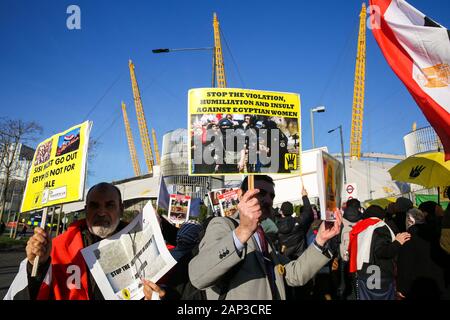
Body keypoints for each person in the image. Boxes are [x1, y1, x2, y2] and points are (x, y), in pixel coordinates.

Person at [188, 175, 342, 300]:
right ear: (241, 195)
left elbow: (294, 274)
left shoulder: (262, 236)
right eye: (260, 192)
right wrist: (243, 231)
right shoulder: (223, 224)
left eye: (271, 195)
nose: (268, 199)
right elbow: (198, 276)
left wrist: (320, 240)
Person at [5, 182, 166, 300]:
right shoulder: (54, 248)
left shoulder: (145, 242)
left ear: (121, 209)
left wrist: (158, 295)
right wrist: (37, 266)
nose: (101, 212)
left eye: (109, 205)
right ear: (86, 210)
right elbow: (20, 295)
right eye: (94, 206)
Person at [348, 205, 411, 300]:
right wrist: (397, 242)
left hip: (363, 271)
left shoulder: (361, 227)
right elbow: (381, 251)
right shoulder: (379, 226)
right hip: (378, 274)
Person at [397, 208, 450, 299]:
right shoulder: (436, 233)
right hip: (439, 285)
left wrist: (402, 288)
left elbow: (405, 265)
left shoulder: (407, 238)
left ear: (409, 220)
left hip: (418, 287)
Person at [277, 186, 314, 260]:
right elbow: (308, 212)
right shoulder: (298, 221)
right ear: (292, 211)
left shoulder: (275, 226)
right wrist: (304, 196)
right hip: (301, 259)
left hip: (286, 260)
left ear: (281, 211)